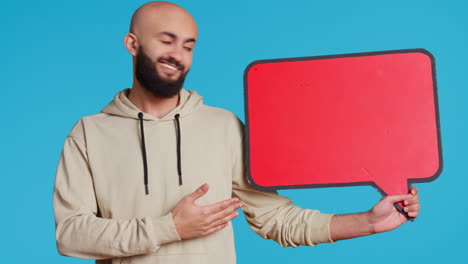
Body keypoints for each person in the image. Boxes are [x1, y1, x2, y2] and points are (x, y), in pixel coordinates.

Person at [53, 2, 421, 264]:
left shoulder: (223, 126)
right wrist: (169, 228)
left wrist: (368, 222)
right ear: (132, 44)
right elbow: (71, 235)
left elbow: (277, 219)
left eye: (188, 45)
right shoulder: (89, 133)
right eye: (166, 41)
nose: (178, 55)